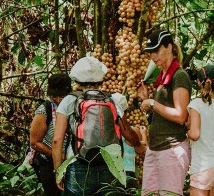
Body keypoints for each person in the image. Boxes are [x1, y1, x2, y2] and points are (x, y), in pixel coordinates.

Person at [52, 57, 145, 196]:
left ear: (77, 80)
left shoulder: (69, 101)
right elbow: (127, 133)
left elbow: (57, 140)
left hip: (79, 166)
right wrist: (138, 144)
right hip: (109, 165)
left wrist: (58, 171)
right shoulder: (112, 100)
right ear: (101, 80)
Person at [138, 30, 191, 195]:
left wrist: (152, 103)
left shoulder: (179, 75)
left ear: (169, 47)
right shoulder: (161, 76)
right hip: (155, 149)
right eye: (150, 53)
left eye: (156, 50)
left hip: (171, 150)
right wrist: (146, 99)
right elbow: (163, 115)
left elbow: (181, 116)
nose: (153, 56)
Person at [187, 65, 214, 196]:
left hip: (204, 167)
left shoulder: (196, 104)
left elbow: (194, 134)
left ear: (199, 82)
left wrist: (184, 127)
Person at [30, 73, 72, 196]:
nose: (58, 100)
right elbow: (35, 143)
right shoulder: (45, 110)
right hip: (48, 163)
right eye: (55, 96)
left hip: (71, 161)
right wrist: (60, 155)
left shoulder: (74, 106)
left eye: (62, 96)